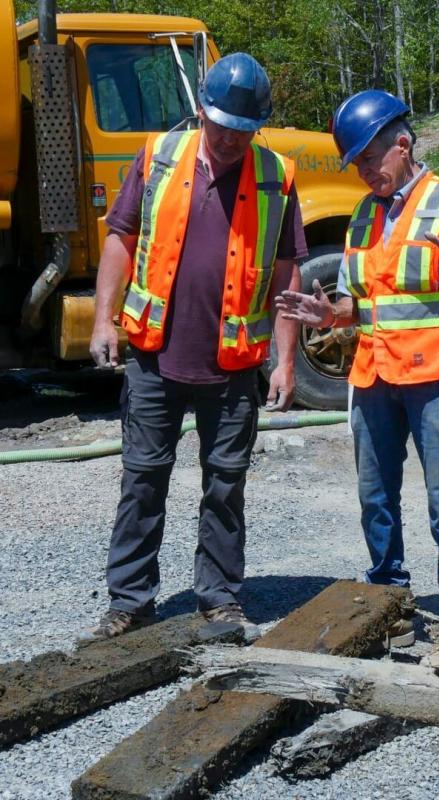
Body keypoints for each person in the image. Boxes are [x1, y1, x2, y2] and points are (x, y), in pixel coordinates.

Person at [79, 53, 306, 643]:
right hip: (155, 357)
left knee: (225, 487)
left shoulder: (276, 175)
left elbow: (286, 276)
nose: (231, 139)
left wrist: (285, 360)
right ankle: (130, 602)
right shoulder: (159, 156)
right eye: (222, 125)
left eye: (244, 130)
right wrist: (104, 321)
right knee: (142, 482)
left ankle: (221, 602)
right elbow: (120, 239)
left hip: (233, 367)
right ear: (201, 112)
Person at [276, 90, 439, 621]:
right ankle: (388, 601)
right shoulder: (363, 213)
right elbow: (365, 304)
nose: (363, 172)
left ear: (401, 145)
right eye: (355, 163)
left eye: (368, 159)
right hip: (376, 373)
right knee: (375, 498)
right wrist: (329, 313)